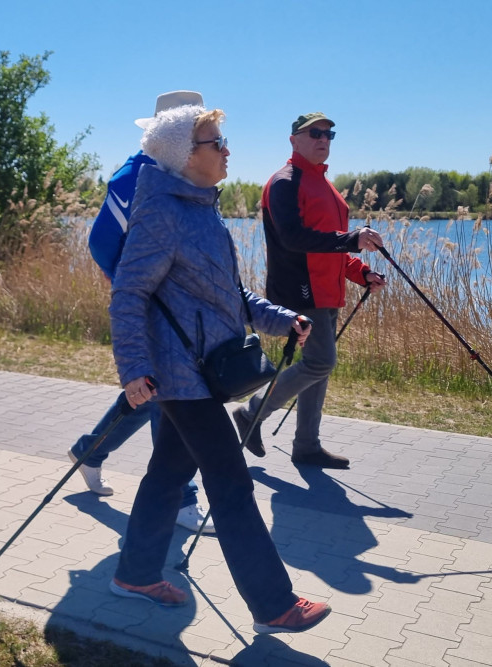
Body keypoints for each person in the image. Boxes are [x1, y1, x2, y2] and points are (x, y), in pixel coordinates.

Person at [108, 102, 331, 634]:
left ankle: (135, 573)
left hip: (202, 369)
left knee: (167, 473)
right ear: (186, 155)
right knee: (230, 481)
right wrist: (134, 368)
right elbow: (128, 293)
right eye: (216, 143)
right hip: (179, 374)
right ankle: (273, 604)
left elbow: (228, 293)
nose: (228, 150)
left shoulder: (200, 208)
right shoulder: (162, 211)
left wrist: (281, 318)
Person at [70, 91, 213, 534]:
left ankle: (90, 451)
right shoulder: (134, 175)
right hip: (151, 306)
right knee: (169, 397)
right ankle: (181, 499)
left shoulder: (189, 173)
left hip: (182, 308)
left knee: (153, 394)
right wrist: (129, 281)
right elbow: (100, 241)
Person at [232, 112, 387, 470]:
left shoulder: (327, 187)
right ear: (294, 140)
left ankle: (306, 447)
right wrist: (352, 239)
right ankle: (250, 414)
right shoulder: (285, 182)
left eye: (329, 134)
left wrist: (361, 273)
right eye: (315, 133)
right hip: (300, 292)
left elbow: (330, 248)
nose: (323, 139)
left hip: (327, 292)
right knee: (320, 362)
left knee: (318, 368)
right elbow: (293, 239)